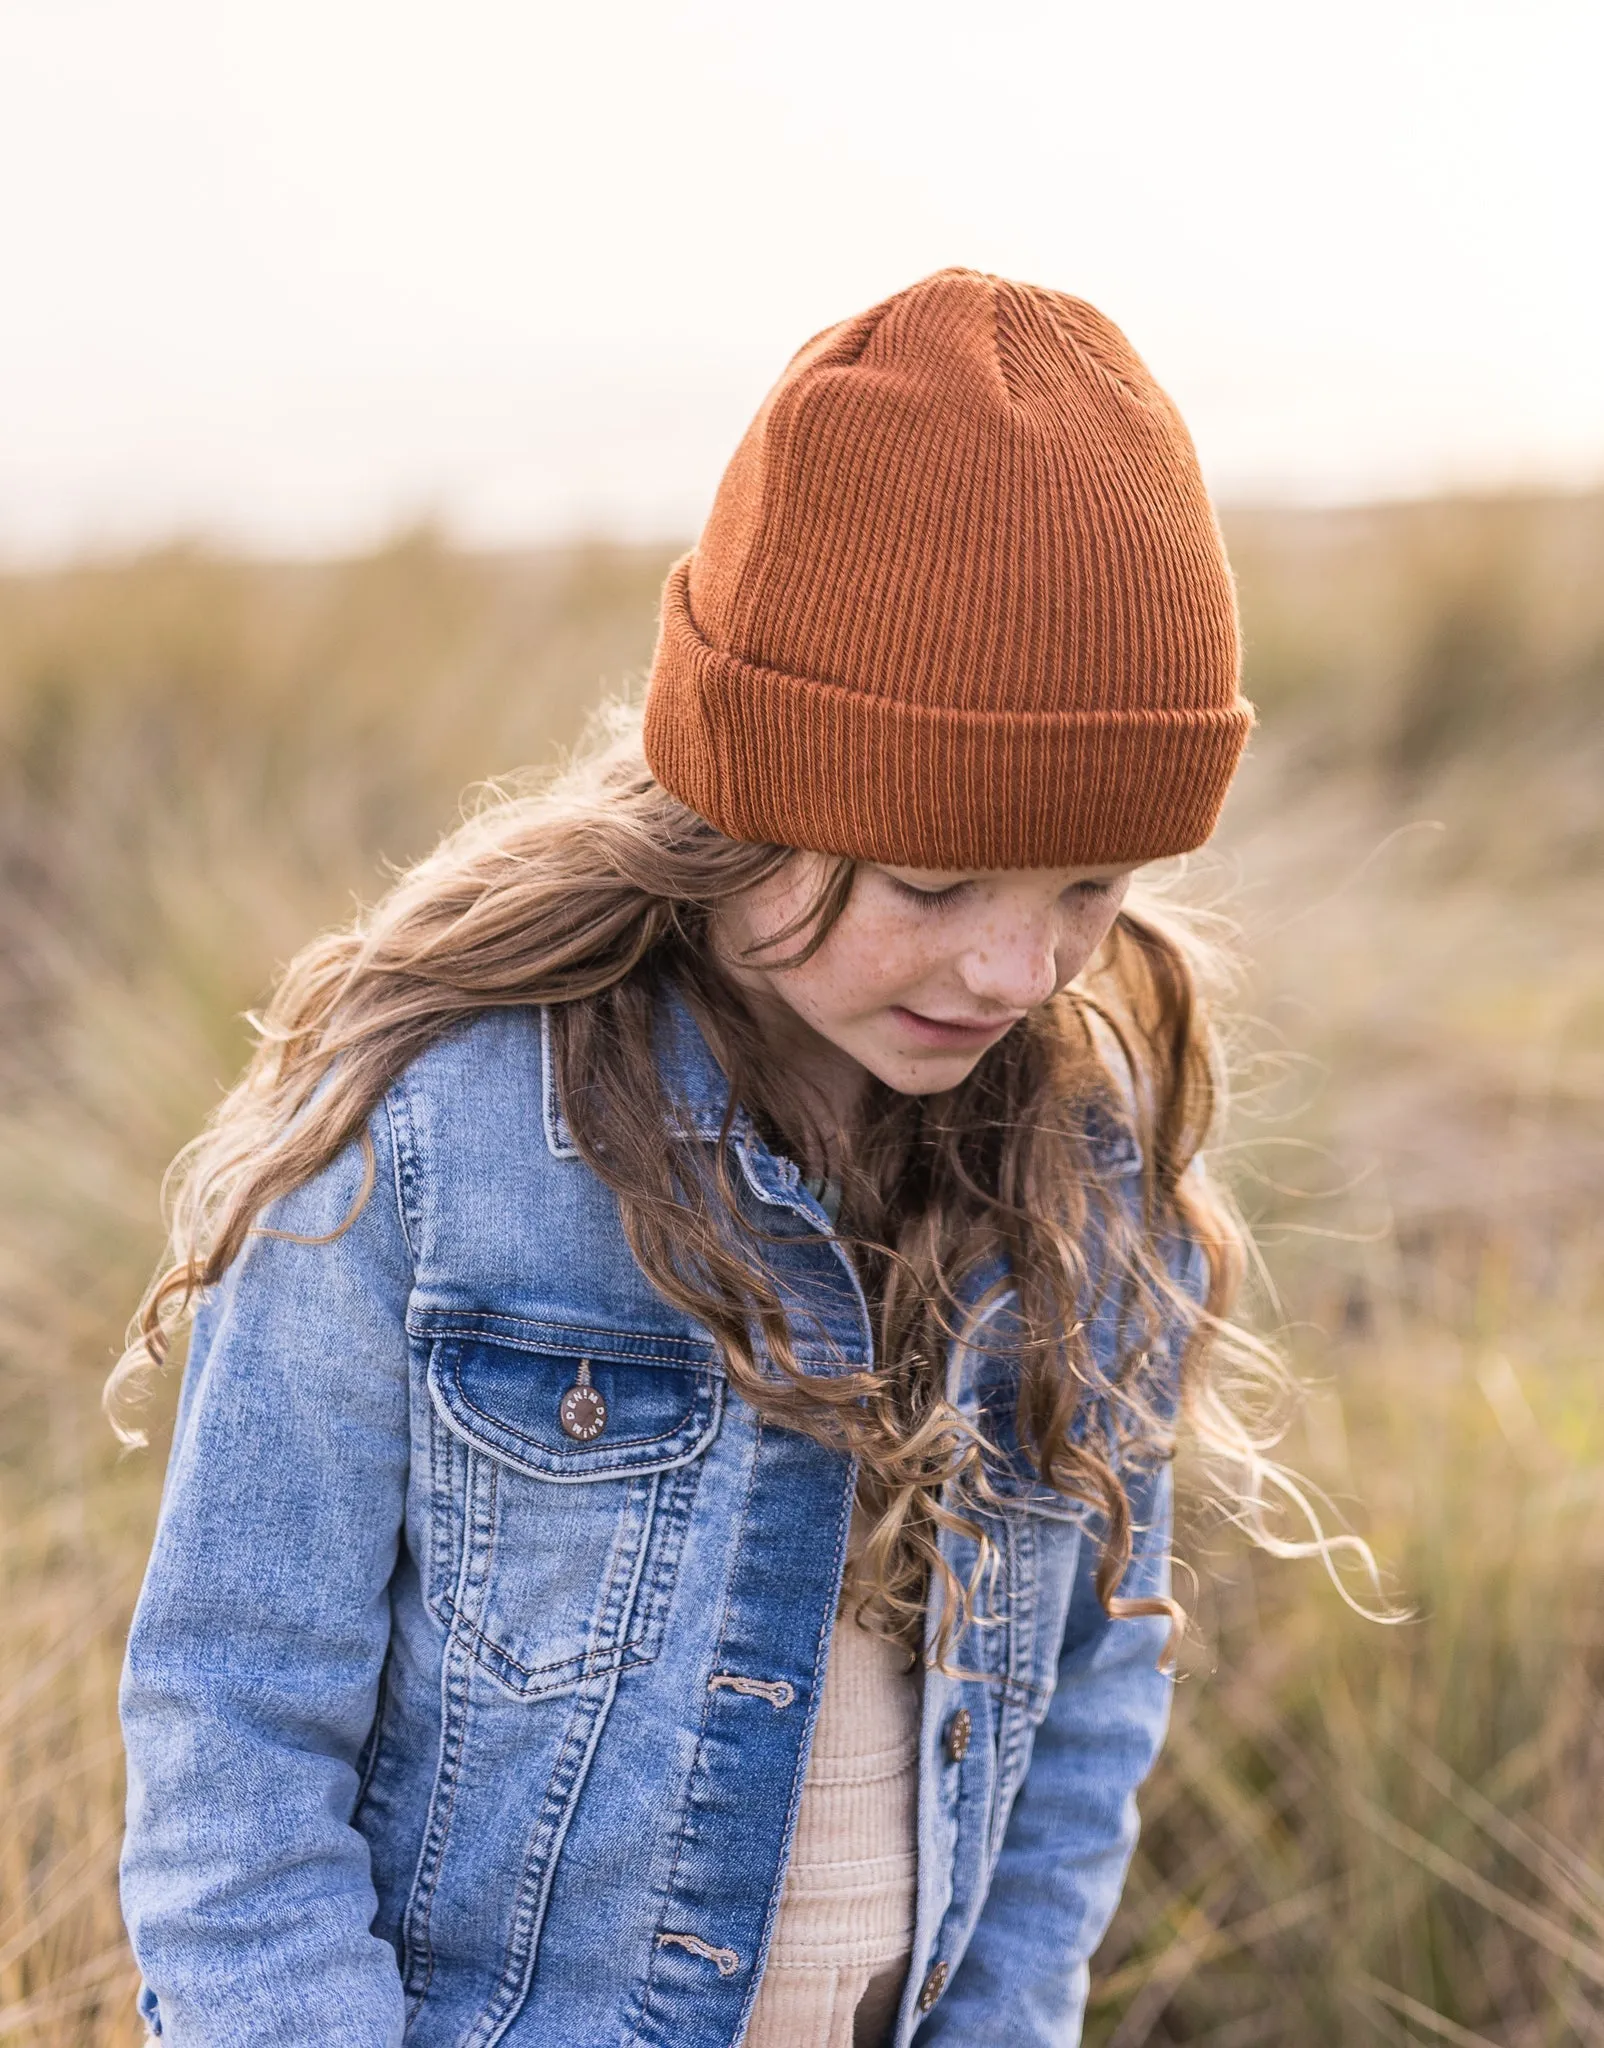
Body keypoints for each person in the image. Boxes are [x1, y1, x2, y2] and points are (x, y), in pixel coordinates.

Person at [115, 267, 1266, 2047]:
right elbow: (234, 1732)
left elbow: (1085, 1722)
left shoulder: (1081, 1192)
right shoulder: (442, 1138)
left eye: (1089, 893)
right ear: (745, 803)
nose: (1013, 969)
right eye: (935, 883)